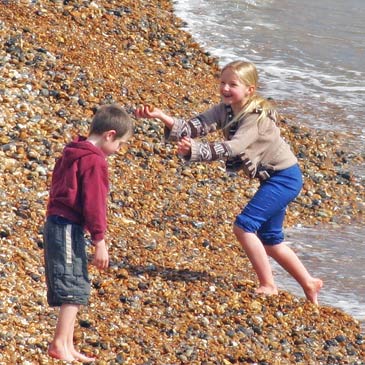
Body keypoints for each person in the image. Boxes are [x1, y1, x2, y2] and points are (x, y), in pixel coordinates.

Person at [135, 60, 323, 305]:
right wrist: (161, 116)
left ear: (250, 90)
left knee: (244, 226)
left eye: (232, 84)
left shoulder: (256, 116)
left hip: (284, 178)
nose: (225, 88)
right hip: (272, 178)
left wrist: (196, 150)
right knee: (270, 240)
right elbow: (195, 126)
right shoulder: (225, 109)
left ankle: (268, 285)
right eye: (222, 82)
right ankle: (309, 283)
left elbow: (235, 147)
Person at [43, 104, 133, 362]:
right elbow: (94, 203)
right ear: (109, 135)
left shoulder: (72, 151)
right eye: (121, 144)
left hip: (56, 222)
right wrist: (99, 240)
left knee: (75, 281)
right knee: (73, 285)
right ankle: (60, 344)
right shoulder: (94, 161)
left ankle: (68, 345)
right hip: (67, 226)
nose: (119, 150)